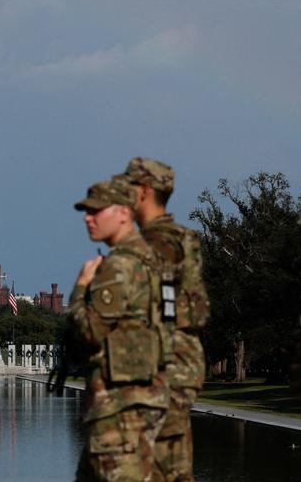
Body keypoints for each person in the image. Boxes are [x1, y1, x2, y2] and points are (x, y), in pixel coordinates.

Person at [68, 177, 168, 481]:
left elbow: (89, 332)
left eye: (97, 211)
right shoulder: (150, 258)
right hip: (137, 404)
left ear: (124, 213)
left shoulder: (118, 267)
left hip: (118, 411)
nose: (88, 218)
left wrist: (80, 289)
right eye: (86, 211)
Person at [122, 157, 209, 482]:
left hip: (161, 368)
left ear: (144, 191)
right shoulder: (184, 240)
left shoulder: (150, 246)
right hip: (180, 363)